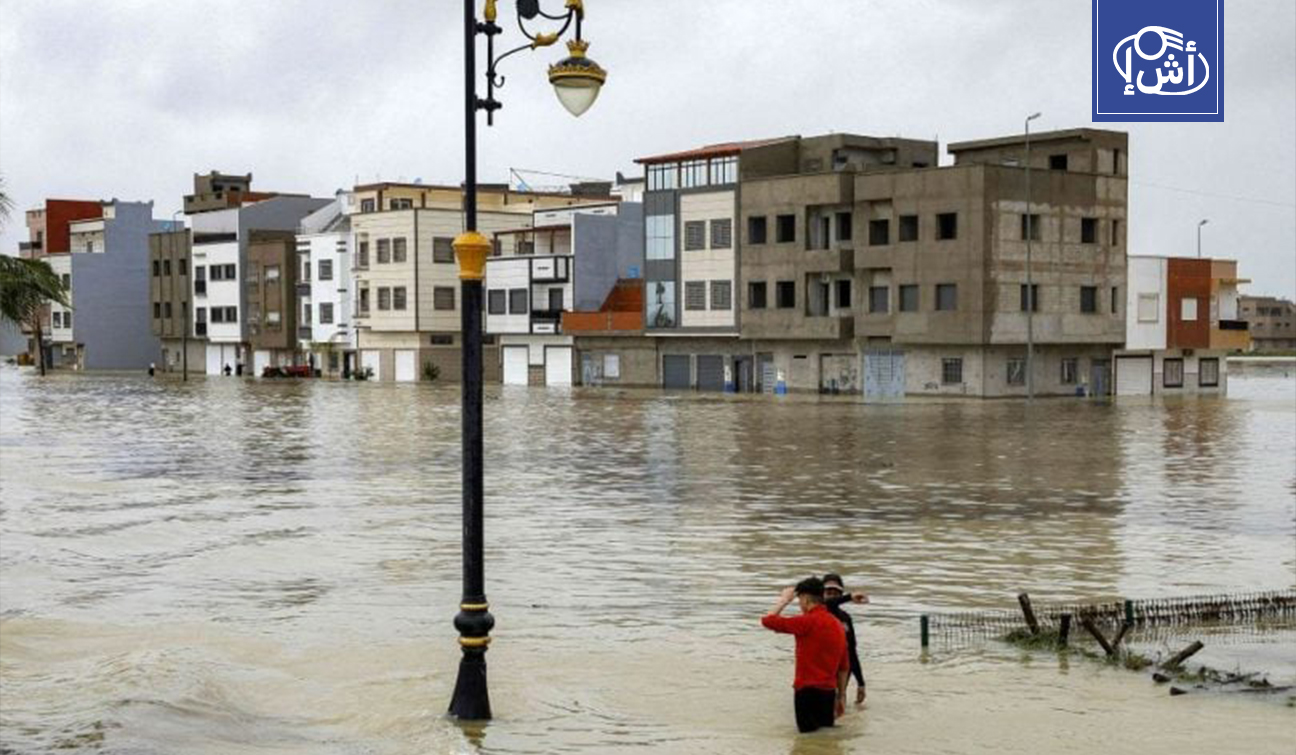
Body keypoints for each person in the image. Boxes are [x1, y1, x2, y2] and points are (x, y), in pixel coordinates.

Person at [761, 576, 850, 733]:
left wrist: (784, 600)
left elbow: (768, 620)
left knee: (807, 741)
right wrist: (841, 696)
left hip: (807, 692)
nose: (799, 604)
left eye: (799, 600)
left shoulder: (806, 622)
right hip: (829, 693)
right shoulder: (837, 625)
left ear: (805, 598)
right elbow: (844, 666)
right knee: (824, 741)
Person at [823, 573, 869, 704]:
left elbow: (852, 652)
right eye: (828, 592)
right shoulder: (817, 613)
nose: (832, 595)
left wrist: (861, 683)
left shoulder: (845, 618)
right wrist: (849, 597)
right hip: (822, 670)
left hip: (842, 670)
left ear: (840, 594)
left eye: (836, 592)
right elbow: (828, 604)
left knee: (839, 709)